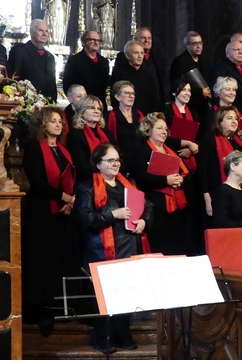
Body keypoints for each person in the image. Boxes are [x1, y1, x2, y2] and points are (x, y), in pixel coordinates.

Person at [74, 143, 153, 354]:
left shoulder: (128, 184)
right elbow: (84, 218)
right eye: (111, 160)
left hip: (129, 245)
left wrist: (144, 221)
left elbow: (148, 206)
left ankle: (123, 333)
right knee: (104, 296)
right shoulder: (87, 187)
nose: (116, 163)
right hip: (102, 249)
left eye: (117, 160)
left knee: (127, 293)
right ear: (98, 164)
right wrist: (112, 215)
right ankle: (103, 337)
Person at [22, 107, 76, 336]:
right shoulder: (35, 147)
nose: (58, 125)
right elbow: (36, 181)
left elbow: (71, 177)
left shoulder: (63, 149)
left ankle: (56, 306)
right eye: (52, 121)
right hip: (41, 212)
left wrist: (70, 201)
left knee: (57, 259)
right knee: (41, 260)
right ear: (42, 124)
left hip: (62, 212)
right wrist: (63, 197)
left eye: (59, 121)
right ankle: (40, 309)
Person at [130, 112, 194, 255]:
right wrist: (166, 181)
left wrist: (181, 180)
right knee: (162, 245)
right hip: (156, 207)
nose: (164, 132)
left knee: (177, 244)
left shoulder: (170, 151)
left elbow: (187, 173)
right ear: (148, 129)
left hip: (176, 205)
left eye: (165, 129)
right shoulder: (142, 151)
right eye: (159, 128)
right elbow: (139, 177)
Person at [197, 106, 242, 228]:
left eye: (236, 118)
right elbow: (202, 170)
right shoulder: (209, 139)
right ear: (220, 122)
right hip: (216, 193)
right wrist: (206, 196)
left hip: (238, 194)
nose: (234, 121)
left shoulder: (238, 142)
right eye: (229, 118)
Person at [67, 95, 116, 184]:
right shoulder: (74, 135)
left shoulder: (108, 133)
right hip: (89, 181)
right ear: (82, 111)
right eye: (92, 108)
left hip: (112, 178)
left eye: (99, 109)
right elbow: (81, 166)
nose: (97, 111)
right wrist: (103, 178)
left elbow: (117, 158)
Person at [8, 19, 57, 101]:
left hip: (46, 104)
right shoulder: (19, 52)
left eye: (47, 31)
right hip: (25, 103)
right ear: (31, 32)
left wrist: (53, 102)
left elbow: (52, 84)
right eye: (40, 30)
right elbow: (13, 80)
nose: (44, 34)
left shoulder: (50, 57)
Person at [114, 27, 165, 106]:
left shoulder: (157, 57)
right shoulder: (123, 57)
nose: (147, 40)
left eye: (149, 38)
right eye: (143, 38)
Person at [169, 31, 213, 119]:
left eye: (200, 43)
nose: (199, 46)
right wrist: (200, 92)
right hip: (189, 104)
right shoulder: (180, 61)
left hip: (204, 106)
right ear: (187, 45)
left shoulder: (205, 60)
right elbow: (178, 84)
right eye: (195, 43)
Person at [110, 40, 160, 115]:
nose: (140, 56)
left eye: (142, 53)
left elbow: (154, 100)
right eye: (136, 53)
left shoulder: (148, 77)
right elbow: (115, 100)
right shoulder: (119, 76)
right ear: (127, 55)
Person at [63, 31, 110, 105]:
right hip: (82, 105)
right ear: (83, 42)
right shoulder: (74, 61)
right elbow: (67, 85)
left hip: (100, 104)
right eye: (92, 40)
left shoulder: (104, 62)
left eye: (98, 40)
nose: (96, 43)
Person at [209, 41, 242, 114]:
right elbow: (215, 92)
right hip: (225, 110)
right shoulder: (219, 68)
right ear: (227, 53)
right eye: (237, 50)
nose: (241, 52)